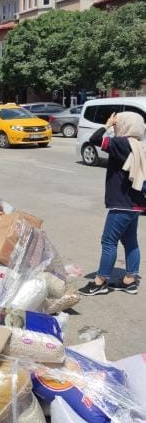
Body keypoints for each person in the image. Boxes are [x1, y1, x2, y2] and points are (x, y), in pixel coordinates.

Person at [79, 111, 146, 297]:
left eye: (119, 123)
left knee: (109, 241)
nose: (116, 126)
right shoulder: (140, 145)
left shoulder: (120, 143)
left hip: (121, 203)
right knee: (130, 241)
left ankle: (100, 282)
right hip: (137, 204)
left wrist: (107, 125)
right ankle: (130, 281)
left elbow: (94, 139)